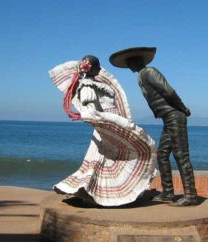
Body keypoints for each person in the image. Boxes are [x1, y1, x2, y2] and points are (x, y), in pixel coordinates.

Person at [49, 55, 156, 206]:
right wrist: (112, 122)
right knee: (102, 163)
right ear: (91, 69)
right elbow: (90, 113)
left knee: (103, 164)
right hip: (105, 129)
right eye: (98, 67)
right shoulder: (87, 87)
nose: (100, 70)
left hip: (109, 127)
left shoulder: (95, 84)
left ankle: (95, 196)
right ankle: (91, 195)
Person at [109, 47, 198, 206]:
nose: (130, 67)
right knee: (162, 155)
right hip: (167, 118)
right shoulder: (142, 77)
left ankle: (191, 195)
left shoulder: (150, 72)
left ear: (138, 62)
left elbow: (169, 92)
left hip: (174, 116)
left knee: (181, 155)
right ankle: (168, 193)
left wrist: (183, 108)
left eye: (131, 63)